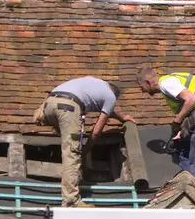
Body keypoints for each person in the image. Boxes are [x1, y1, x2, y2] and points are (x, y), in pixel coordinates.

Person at [31, 76, 134, 207]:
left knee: (67, 141)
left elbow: (110, 110)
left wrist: (122, 117)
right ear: (115, 96)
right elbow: (96, 131)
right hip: (68, 107)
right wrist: (85, 151)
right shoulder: (111, 97)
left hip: (49, 104)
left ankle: (42, 117)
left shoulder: (95, 83)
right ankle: (71, 200)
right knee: (72, 152)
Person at [137, 66, 195, 186]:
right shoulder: (169, 86)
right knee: (182, 144)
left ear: (148, 82)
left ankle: (194, 188)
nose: (143, 91)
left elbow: (192, 99)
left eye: (142, 87)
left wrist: (177, 120)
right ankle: (187, 178)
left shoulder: (166, 83)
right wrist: (182, 130)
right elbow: (188, 109)